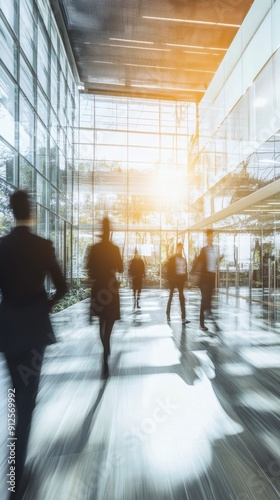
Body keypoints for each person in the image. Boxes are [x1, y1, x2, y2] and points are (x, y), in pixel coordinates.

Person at [0, 190, 67, 498]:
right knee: (26, 400)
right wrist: (44, 306)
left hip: (10, 331)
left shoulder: (2, 247)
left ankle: (14, 469)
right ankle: (15, 477)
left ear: (12, 212)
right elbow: (63, 287)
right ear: (31, 213)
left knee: (16, 396)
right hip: (35, 332)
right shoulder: (43, 247)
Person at [86, 217, 123, 377]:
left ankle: (105, 348)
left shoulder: (94, 248)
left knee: (101, 320)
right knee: (110, 320)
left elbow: (88, 269)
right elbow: (121, 269)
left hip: (99, 287)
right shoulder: (114, 249)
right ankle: (106, 346)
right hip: (111, 288)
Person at [193, 229, 219, 333]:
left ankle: (209, 316)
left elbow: (214, 264)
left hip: (212, 278)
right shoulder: (204, 250)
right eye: (209, 236)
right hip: (204, 279)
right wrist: (193, 276)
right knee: (204, 301)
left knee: (209, 301)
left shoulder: (214, 249)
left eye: (212, 236)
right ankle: (202, 323)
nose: (210, 238)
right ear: (206, 238)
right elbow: (198, 262)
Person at [166, 242, 190, 325]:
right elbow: (168, 269)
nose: (180, 249)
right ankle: (168, 314)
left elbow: (184, 270)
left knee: (181, 297)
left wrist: (185, 279)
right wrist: (170, 279)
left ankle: (183, 317)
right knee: (171, 296)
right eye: (179, 248)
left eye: (181, 248)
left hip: (180, 279)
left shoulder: (183, 259)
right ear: (176, 248)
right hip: (173, 279)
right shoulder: (173, 258)